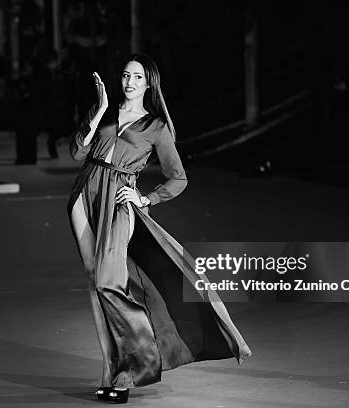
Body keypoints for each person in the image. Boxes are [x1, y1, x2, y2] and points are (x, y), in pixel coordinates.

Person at [67, 53, 252, 404]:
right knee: (96, 284)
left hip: (119, 202)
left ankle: (138, 362)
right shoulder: (105, 111)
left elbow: (178, 178)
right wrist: (99, 107)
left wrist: (145, 198)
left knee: (109, 282)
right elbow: (78, 152)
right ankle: (111, 372)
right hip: (83, 197)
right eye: (125, 75)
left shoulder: (156, 126)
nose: (129, 82)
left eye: (137, 77)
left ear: (148, 83)